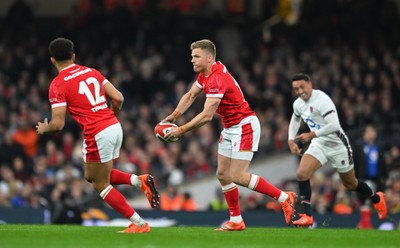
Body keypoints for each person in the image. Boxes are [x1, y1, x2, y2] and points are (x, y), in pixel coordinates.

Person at [162, 39, 296, 231]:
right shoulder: (206, 73)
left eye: (196, 56)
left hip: (244, 126)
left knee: (237, 175)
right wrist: (174, 116)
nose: (192, 60)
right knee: (223, 174)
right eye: (192, 56)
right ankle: (236, 219)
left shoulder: (217, 79)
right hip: (231, 127)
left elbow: (207, 116)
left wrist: (181, 130)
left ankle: (285, 197)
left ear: (209, 58)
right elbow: (191, 95)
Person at [36, 37, 160, 233]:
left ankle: (140, 224)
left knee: (100, 184)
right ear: (73, 56)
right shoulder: (91, 72)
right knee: (91, 176)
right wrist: (111, 118)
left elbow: (58, 124)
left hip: (97, 131)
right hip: (113, 125)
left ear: (52, 60)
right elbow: (118, 98)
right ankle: (138, 180)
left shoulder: (57, 84)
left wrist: (45, 129)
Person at [287, 73, 387, 227]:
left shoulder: (322, 100)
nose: (300, 91)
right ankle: (307, 216)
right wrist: (290, 139)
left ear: (310, 84)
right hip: (319, 143)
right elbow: (295, 118)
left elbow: (334, 125)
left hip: (337, 145)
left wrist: (311, 134)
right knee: (301, 173)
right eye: (296, 89)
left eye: (302, 87)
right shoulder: (298, 104)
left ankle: (377, 198)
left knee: (350, 184)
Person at [353, 125, 388, 228]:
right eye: (369, 132)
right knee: (365, 200)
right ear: (364, 134)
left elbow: (382, 163)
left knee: (371, 201)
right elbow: (355, 163)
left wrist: (385, 177)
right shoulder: (359, 147)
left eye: (373, 132)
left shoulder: (378, 147)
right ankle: (366, 223)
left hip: (376, 179)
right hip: (362, 179)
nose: (371, 134)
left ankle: (364, 223)